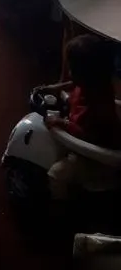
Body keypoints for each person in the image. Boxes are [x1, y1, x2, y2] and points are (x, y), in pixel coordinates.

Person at [42, 34, 121, 199]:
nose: (69, 72)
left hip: (96, 159)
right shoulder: (92, 84)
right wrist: (56, 87)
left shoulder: (98, 106)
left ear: (85, 74)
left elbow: (86, 134)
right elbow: (74, 84)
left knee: (55, 175)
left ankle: (62, 210)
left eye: (73, 69)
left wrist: (60, 122)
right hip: (87, 139)